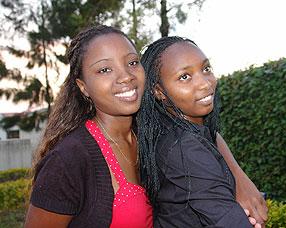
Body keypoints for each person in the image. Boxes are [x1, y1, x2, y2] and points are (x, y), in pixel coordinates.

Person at [24, 25, 153, 228]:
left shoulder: (151, 137)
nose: (126, 76)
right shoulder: (68, 160)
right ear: (83, 87)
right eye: (104, 69)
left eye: (132, 62)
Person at [137, 36, 268, 227]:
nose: (205, 84)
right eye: (185, 77)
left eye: (206, 69)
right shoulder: (184, 148)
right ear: (159, 91)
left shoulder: (175, 133)